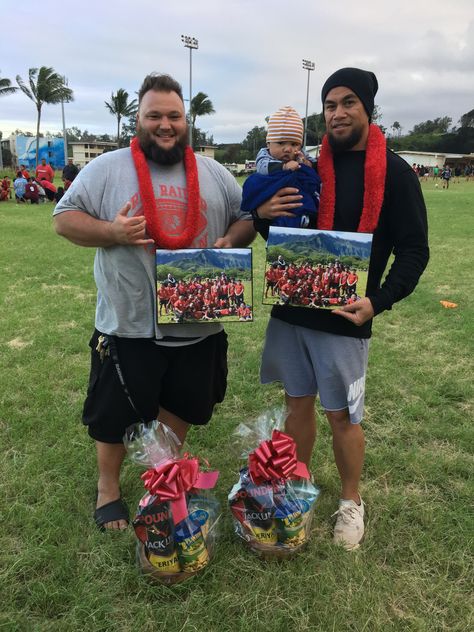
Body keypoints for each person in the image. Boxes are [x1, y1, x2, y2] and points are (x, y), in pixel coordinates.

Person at [53, 72, 255, 531]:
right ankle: (108, 489)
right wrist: (111, 232)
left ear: (187, 121)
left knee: (183, 405)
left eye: (174, 116)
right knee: (113, 415)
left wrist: (230, 237)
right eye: (154, 116)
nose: (165, 124)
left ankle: (161, 479)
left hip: (197, 323)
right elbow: (63, 219)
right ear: (138, 120)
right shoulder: (106, 168)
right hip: (128, 324)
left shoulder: (213, 171)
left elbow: (248, 217)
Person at [253, 67, 429, 550]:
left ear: (368, 109)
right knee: (296, 404)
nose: (338, 112)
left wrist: (378, 301)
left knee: (343, 417)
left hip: (347, 316)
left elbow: (415, 249)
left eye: (348, 102)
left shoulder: (393, 171)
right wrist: (260, 216)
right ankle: (296, 485)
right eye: (330, 104)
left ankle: (351, 501)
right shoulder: (306, 167)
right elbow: (282, 232)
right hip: (293, 308)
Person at [241, 106, 320, 234]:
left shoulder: (300, 154)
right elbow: (262, 167)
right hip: (271, 195)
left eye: (294, 144)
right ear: (268, 143)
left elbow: (313, 165)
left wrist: (305, 163)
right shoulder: (264, 154)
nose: (288, 149)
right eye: (281, 143)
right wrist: (283, 167)